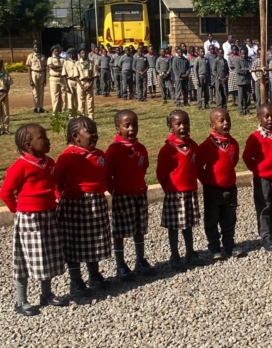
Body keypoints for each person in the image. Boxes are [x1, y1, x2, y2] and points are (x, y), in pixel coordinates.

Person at [0, 124, 67, 316]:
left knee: (48, 255)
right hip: (29, 218)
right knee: (25, 259)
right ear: (29, 145)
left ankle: (46, 294)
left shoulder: (50, 163)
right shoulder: (19, 167)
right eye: (42, 137)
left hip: (49, 215)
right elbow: (5, 193)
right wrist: (17, 210)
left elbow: (53, 185)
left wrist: (57, 197)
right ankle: (21, 301)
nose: (48, 140)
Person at [55, 117, 111, 297]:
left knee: (94, 240)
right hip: (75, 204)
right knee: (74, 243)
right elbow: (57, 182)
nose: (95, 135)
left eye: (96, 131)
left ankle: (94, 274)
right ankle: (76, 280)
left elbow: (104, 176)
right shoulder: (66, 157)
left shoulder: (100, 155)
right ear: (76, 137)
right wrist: (61, 199)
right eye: (90, 132)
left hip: (97, 203)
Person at [105, 110, 157, 280]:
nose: (132, 128)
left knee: (139, 229)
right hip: (122, 195)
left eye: (134, 125)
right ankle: (120, 264)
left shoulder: (140, 148)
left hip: (139, 194)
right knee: (119, 231)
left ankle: (140, 259)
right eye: (127, 125)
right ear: (118, 128)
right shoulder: (114, 150)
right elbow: (107, 175)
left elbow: (144, 167)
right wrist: (116, 190)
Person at [156, 110, 204, 271]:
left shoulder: (193, 146)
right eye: (178, 124)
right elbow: (161, 173)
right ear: (171, 127)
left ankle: (190, 252)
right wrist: (169, 189)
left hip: (189, 191)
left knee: (188, 224)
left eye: (185, 123)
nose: (183, 127)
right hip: (174, 193)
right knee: (174, 226)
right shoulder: (168, 149)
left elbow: (197, 166)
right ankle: (174, 255)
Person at [197, 108, 246, 261]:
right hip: (213, 189)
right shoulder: (207, 145)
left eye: (228, 120)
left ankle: (229, 245)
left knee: (229, 218)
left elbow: (234, 161)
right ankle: (214, 247)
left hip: (230, 187)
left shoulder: (233, 144)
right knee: (212, 218)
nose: (226, 123)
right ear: (213, 125)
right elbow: (198, 166)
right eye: (221, 121)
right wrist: (207, 181)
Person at [243, 103, 272, 252]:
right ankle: (266, 235)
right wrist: (257, 171)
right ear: (259, 118)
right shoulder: (255, 137)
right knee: (264, 207)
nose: (270, 119)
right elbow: (246, 157)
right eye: (266, 116)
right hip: (262, 178)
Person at [75, 48, 97, 120]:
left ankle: (91, 118)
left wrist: (90, 84)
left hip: (89, 83)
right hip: (80, 83)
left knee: (90, 101)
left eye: (85, 53)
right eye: (82, 53)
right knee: (81, 102)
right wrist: (81, 86)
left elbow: (94, 75)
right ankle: (81, 118)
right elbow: (76, 76)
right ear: (80, 54)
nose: (84, 54)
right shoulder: (77, 63)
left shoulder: (91, 63)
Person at [25, 43, 47, 113]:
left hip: (42, 73)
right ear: (33, 48)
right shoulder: (30, 56)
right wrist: (30, 79)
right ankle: (36, 107)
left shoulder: (43, 56)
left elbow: (45, 67)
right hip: (34, 73)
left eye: (38, 47)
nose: (37, 48)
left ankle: (41, 107)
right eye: (35, 47)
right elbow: (28, 67)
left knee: (41, 91)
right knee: (35, 92)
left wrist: (45, 78)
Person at [234, 48, 253, 115]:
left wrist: (244, 69)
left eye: (245, 54)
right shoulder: (237, 61)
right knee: (241, 97)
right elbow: (238, 70)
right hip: (240, 81)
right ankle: (241, 110)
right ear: (240, 54)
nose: (244, 55)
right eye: (242, 54)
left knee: (247, 96)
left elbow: (251, 68)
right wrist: (247, 70)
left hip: (247, 81)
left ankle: (247, 109)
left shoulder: (248, 61)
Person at [47, 46, 64, 114]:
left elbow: (65, 67)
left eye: (58, 51)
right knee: (55, 95)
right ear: (52, 52)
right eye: (55, 51)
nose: (57, 52)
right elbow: (51, 66)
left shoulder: (63, 59)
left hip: (62, 78)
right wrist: (61, 67)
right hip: (54, 78)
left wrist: (56, 67)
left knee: (63, 95)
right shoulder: (50, 58)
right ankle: (56, 112)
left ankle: (62, 111)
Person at [62, 48, 79, 114]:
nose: (72, 55)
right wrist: (66, 86)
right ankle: (71, 115)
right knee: (70, 98)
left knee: (78, 98)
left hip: (78, 81)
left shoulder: (78, 62)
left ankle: (78, 113)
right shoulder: (66, 63)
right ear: (68, 54)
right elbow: (64, 75)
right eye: (70, 54)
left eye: (73, 53)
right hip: (70, 81)